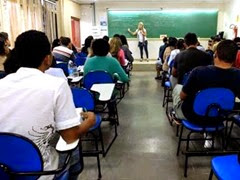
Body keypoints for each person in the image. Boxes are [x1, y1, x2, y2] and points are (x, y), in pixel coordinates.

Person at [0, 30, 96, 179]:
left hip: (4, 171)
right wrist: (90, 120)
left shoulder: (2, 83)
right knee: (73, 155)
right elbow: (70, 137)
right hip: (40, 173)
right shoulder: (56, 85)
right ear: (47, 59)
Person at [172, 40, 240, 125]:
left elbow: (182, 96)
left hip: (194, 116)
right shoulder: (238, 75)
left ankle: (177, 116)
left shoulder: (198, 72)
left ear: (216, 54)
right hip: (220, 118)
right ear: (235, 57)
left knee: (178, 88)